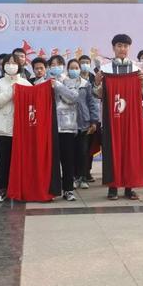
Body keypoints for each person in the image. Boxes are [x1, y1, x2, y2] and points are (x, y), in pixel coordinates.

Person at [94, 34, 143, 200]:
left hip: (132, 118)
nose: (122, 49)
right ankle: (112, 188)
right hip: (111, 118)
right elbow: (98, 94)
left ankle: (129, 187)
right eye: (119, 46)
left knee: (130, 152)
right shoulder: (105, 69)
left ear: (129, 48)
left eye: (125, 46)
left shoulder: (136, 68)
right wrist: (97, 83)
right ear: (113, 48)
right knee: (111, 152)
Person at [0, 54, 32, 202]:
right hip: (2, 129)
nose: (11, 65)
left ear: (19, 65)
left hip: (21, 130)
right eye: (8, 63)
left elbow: (32, 103)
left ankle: (21, 188)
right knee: (3, 161)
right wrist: (11, 91)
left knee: (20, 161)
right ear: (3, 66)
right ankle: (2, 189)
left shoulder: (25, 83)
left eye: (14, 62)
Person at [48, 55, 81, 200]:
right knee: (51, 161)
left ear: (63, 66)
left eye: (58, 64)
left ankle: (68, 190)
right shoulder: (44, 81)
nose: (55, 67)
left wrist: (58, 85)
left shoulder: (70, 80)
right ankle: (52, 190)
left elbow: (73, 97)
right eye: (52, 64)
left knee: (67, 160)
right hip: (49, 127)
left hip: (67, 126)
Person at [66, 58, 99, 190]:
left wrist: (94, 121)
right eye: (71, 68)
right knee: (71, 152)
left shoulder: (86, 84)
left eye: (76, 68)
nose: (74, 70)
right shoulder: (63, 83)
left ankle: (83, 177)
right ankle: (73, 177)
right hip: (68, 124)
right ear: (67, 70)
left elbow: (92, 103)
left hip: (84, 123)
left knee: (83, 152)